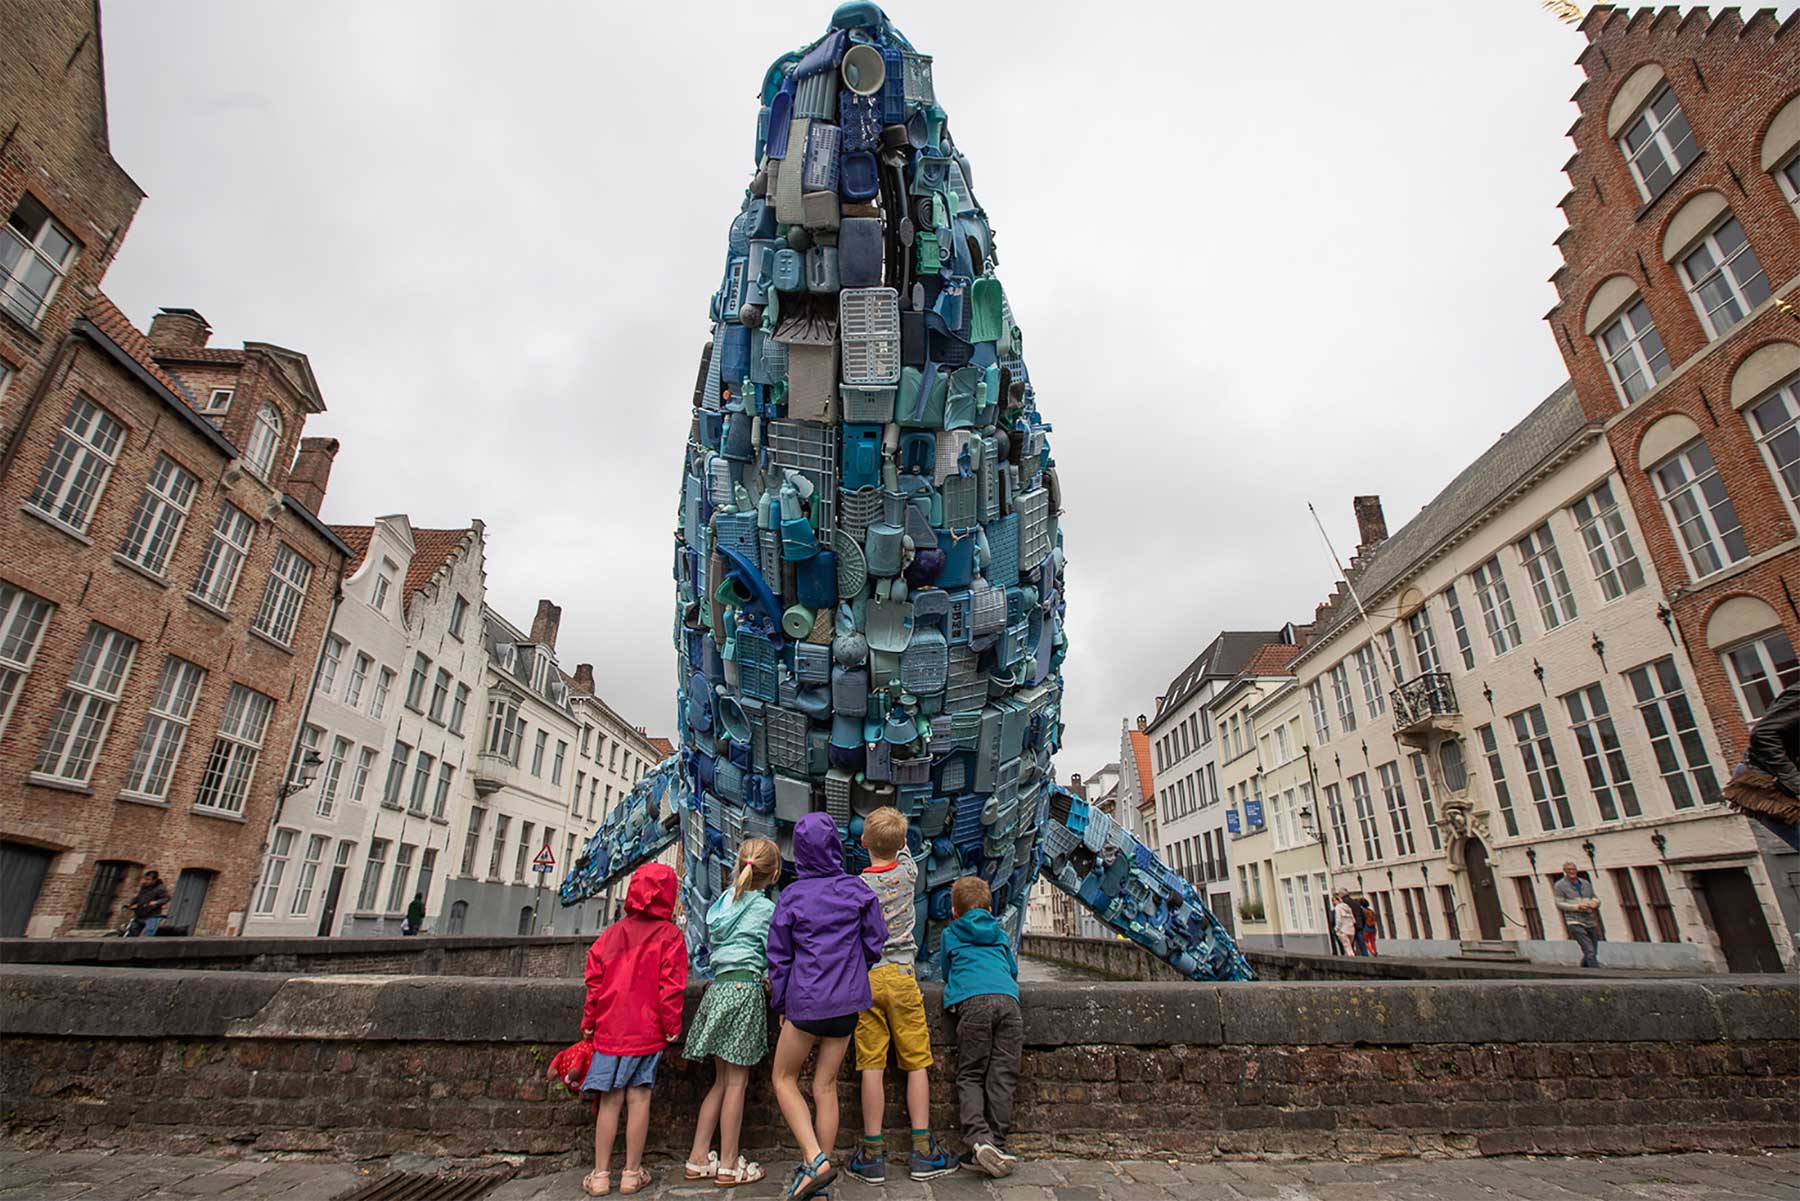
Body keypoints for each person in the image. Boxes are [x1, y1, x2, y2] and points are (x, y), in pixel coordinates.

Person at [767, 811, 886, 1201]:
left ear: (798, 852)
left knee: (783, 1079)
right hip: (846, 1003)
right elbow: (875, 941)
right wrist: (855, 969)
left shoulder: (793, 896)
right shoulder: (858, 890)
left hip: (805, 1001)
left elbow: (779, 958)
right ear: (836, 847)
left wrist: (781, 1001)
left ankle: (815, 1160)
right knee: (826, 1086)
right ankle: (819, 1181)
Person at [847, 808, 955, 1185]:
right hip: (904, 976)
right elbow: (907, 849)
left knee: (871, 1064)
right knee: (916, 1062)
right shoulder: (908, 874)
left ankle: (873, 1153)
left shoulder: (858, 886)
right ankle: (923, 1150)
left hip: (869, 978)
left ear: (862, 843)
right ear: (902, 844)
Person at [578, 862, 687, 1196]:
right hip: (647, 1029)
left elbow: (593, 984)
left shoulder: (611, 936)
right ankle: (631, 1172)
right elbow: (671, 986)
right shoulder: (670, 936)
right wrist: (672, 1024)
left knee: (609, 1101)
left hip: (610, 1028)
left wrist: (588, 1023)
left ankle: (599, 1175)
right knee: (640, 1098)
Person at [682, 837, 780, 1187]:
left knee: (720, 1082)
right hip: (744, 991)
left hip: (718, 991)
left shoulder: (723, 902)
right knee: (737, 1083)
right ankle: (728, 1163)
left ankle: (697, 1157)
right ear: (775, 874)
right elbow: (773, 951)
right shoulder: (766, 909)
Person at [941, 875, 1022, 1179]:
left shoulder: (951, 933)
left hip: (973, 1003)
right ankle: (997, 1142)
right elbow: (1012, 969)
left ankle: (979, 1139)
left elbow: (947, 971)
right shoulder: (1000, 934)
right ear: (990, 908)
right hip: (1009, 1003)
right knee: (1003, 1074)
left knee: (971, 1073)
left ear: (954, 912)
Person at [1552, 861, 1603, 969]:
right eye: (1569, 870)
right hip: (1574, 920)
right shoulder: (1560, 885)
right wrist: (1576, 907)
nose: (1572, 872)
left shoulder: (1585, 883)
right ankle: (1596, 971)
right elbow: (1559, 903)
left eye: (1573, 869)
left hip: (1589, 918)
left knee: (1593, 947)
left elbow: (1594, 897)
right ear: (1565, 871)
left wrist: (1595, 902)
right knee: (1589, 948)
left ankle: (1584, 968)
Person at [127, 870, 169, 938]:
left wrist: (156, 902)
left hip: (152, 915)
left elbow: (166, 898)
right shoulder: (144, 886)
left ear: (154, 880)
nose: (146, 881)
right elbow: (139, 896)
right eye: (145, 879)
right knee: (132, 932)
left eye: (148, 879)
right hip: (141, 913)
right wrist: (131, 903)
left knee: (148, 934)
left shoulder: (160, 888)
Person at [1332, 890, 1357, 957]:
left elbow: (1338, 919)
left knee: (1347, 946)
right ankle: (1351, 956)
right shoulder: (1347, 907)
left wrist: (1337, 928)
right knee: (1350, 945)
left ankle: (1351, 959)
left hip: (1343, 929)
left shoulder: (1338, 908)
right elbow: (1353, 919)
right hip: (1351, 929)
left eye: (1333, 901)